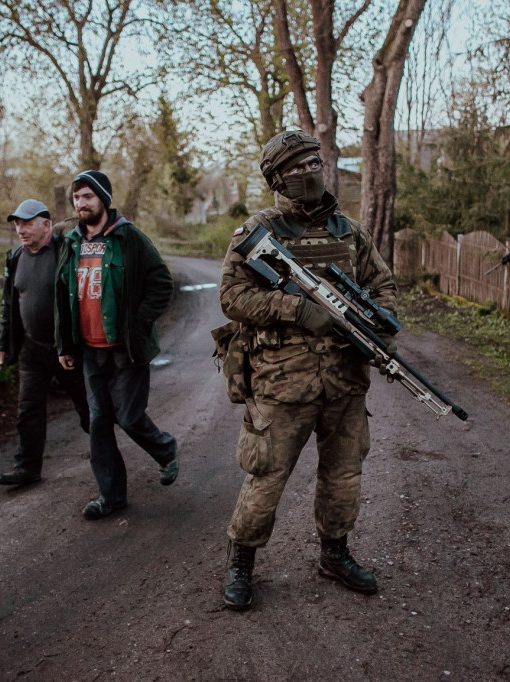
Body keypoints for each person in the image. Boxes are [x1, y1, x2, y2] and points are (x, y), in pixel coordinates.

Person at [218, 130, 398, 610]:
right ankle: (241, 562)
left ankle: (334, 554)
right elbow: (233, 297)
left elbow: (383, 285)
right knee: (267, 476)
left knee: (343, 475)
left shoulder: (349, 231)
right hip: (282, 382)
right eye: (296, 167)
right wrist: (295, 309)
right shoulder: (258, 233)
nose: (308, 172)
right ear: (277, 178)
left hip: (344, 380)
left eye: (313, 162)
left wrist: (380, 330)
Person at [55, 170, 179, 520]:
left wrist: (136, 324)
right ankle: (111, 496)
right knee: (98, 423)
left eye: (87, 197)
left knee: (128, 416)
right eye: (76, 198)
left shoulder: (129, 238)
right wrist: (64, 343)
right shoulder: (71, 242)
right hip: (89, 350)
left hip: (125, 348)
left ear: (103, 200)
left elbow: (162, 283)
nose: (81, 204)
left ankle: (165, 449)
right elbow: (61, 296)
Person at [0, 199, 91, 486]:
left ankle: (104, 455)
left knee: (87, 406)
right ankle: (27, 467)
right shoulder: (15, 258)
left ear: (47, 225)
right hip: (31, 348)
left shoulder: (65, 251)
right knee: (28, 410)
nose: (20, 229)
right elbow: (9, 304)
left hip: (67, 348)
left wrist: (74, 343)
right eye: (17, 224)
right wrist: (3, 342)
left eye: (27, 223)